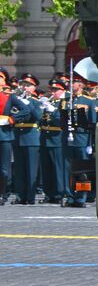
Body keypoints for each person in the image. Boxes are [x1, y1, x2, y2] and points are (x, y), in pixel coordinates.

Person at [4, 76, 41, 204]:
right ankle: (20, 196)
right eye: (23, 85)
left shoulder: (36, 101)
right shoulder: (15, 100)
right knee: (19, 169)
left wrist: (28, 104)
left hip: (30, 137)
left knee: (31, 169)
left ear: (34, 88)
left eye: (28, 85)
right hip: (17, 136)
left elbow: (37, 117)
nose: (25, 88)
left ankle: (30, 197)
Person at [65, 77, 98, 207]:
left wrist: (90, 142)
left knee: (82, 171)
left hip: (82, 138)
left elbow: (92, 122)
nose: (70, 84)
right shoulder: (65, 100)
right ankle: (70, 196)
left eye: (73, 82)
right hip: (68, 138)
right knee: (68, 170)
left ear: (80, 85)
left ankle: (81, 197)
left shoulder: (88, 101)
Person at [38, 78, 70, 204]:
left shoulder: (66, 101)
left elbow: (62, 120)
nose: (53, 92)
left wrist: (54, 111)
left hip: (57, 137)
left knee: (58, 167)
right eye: (52, 89)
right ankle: (49, 193)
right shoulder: (51, 100)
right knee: (46, 168)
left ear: (63, 90)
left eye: (56, 89)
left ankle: (59, 193)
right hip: (45, 137)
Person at [0, 73, 11, 204]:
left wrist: (12, 119)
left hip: (4, 135)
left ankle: (3, 194)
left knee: (3, 169)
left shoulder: (9, 97)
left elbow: (24, 110)